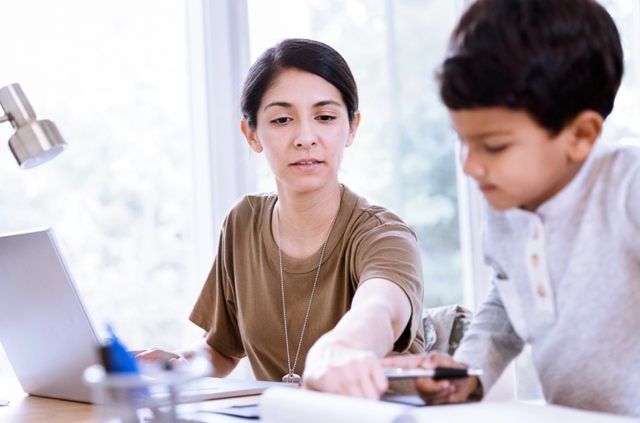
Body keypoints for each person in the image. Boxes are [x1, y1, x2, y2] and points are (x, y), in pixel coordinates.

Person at [382, 0, 640, 420]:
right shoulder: (506, 203)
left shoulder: (637, 188)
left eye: (494, 146)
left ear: (580, 134)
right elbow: (508, 303)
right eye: (462, 141)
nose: (469, 165)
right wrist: (466, 370)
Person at [136, 38, 425, 400]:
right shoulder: (242, 222)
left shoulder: (385, 236)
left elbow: (380, 311)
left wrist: (341, 347)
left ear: (351, 128)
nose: (306, 138)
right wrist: (179, 365)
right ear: (252, 133)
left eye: (325, 117)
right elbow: (223, 349)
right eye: (282, 119)